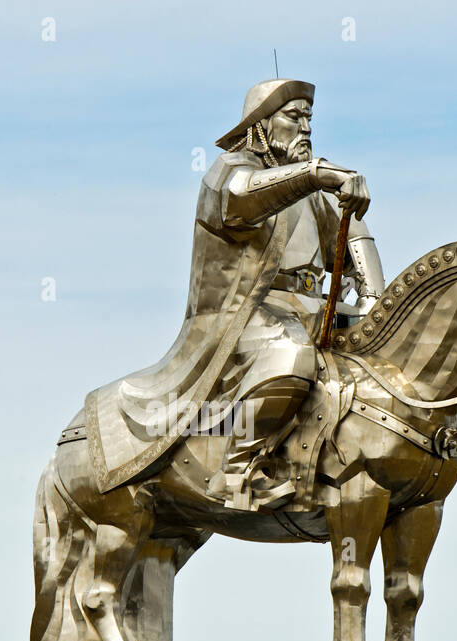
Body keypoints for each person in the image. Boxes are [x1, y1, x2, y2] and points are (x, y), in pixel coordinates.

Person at [84, 79, 386, 511]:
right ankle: (238, 471)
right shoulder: (227, 173)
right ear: (262, 125)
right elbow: (244, 199)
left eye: (309, 119)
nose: (305, 128)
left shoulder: (310, 193)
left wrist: (374, 300)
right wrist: (318, 172)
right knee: (290, 355)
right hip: (245, 316)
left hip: (316, 308)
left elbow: (349, 232)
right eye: (294, 117)